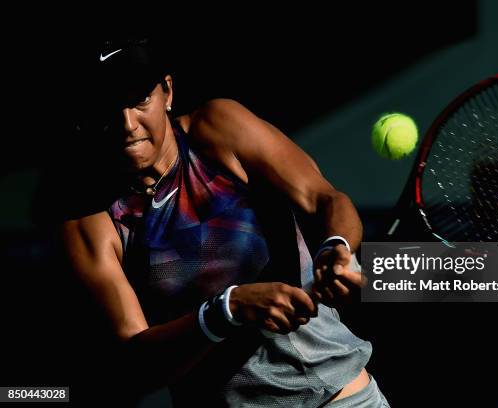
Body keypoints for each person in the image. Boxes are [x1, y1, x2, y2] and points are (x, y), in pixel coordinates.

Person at [60, 38, 389, 407]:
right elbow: (136, 362)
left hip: (345, 399)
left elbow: (324, 199)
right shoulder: (89, 221)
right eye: (108, 104)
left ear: (167, 91)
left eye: (140, 100)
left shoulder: (219, 127)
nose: (126, 123)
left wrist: (337, 246)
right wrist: (225, 312)